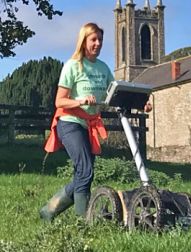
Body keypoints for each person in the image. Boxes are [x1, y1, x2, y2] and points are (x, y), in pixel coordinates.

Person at [39, 22, 152, 221]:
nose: (98, 43)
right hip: (70, 121)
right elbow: (59, 101)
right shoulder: (72, 66)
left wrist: (141, 103)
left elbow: (117, 92)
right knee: (86, 171)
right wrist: (80, 100)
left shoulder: (103, 68)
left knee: (83, 174)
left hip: (89, 124)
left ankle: (49, 210)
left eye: (100, 39)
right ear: (84, 41)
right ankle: (83, 221)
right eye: (94, 39)